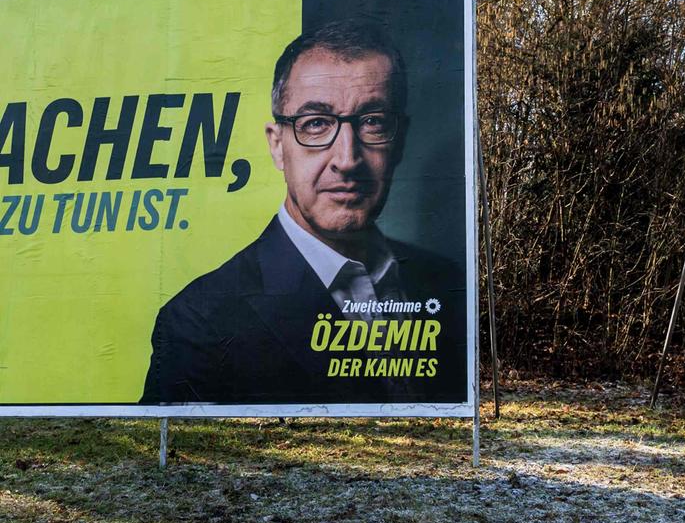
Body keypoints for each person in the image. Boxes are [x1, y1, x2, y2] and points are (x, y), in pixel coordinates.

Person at [141, 20, 465, 405]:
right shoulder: (198, 322)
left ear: (400, 141)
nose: (347, 159)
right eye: (315, 123)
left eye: (373, 122)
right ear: (277, 146)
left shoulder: (447, 281)